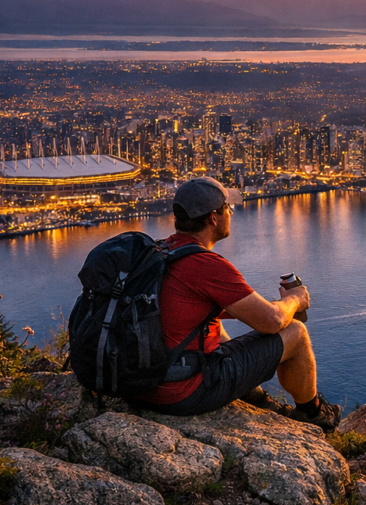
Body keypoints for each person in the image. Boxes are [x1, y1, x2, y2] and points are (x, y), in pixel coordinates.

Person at [134, 177, 341, 431]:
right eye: (228, 208)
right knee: (296, 333)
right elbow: (272, 321)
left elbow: (199, 310)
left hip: (143, 384)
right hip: (182, 393)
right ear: (213, 217)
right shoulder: (206, 265)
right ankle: (312, 414)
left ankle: (254, 397)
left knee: (214, 326)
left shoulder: (162, 252)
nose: (231, 213)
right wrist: (294, 300)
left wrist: (273, 305)